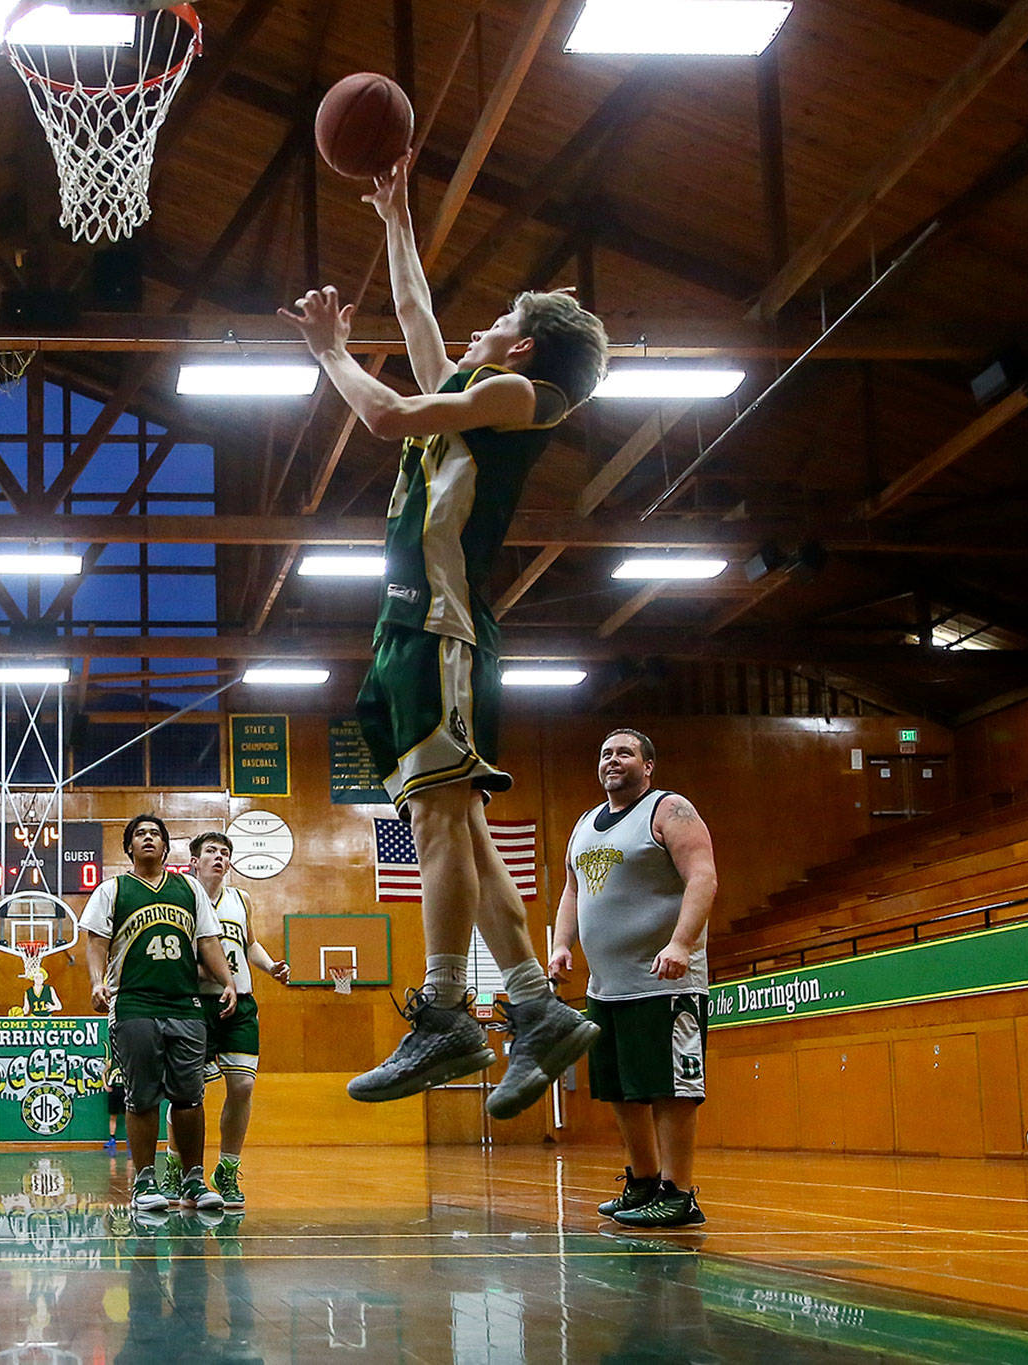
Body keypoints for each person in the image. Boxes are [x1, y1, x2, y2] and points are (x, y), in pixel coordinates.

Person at [278, 153, 610, 1120]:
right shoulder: (480, 397)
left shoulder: (515, 400)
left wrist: (330, 351)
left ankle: (448, 1009)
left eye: (499, 322)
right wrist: (395, 219)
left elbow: (382, 415)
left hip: (441, 625)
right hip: (405, 626)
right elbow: (423, 320)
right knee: (459, 820)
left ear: (524, 352)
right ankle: (539, 1012)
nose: (479, 327)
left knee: (434, 820)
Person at [548, 728, 719, 1229]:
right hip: (607, 986)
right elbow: (572, 891)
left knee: (672, 1089)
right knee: (622, 1090)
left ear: (648, 766)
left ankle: (678, 1192)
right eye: (605, 753)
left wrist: (682, 944)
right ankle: (643, 1182)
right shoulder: (584, 824)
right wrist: (561, 944)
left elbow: (703, 877)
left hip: (665, 983)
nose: (612, 760)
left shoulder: (669, 810)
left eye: (624, 752)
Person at [82, 814, 236, 1215]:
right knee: (143, 1096)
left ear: (166, 847)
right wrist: (97, 982)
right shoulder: (112, 890)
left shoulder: (188, 888)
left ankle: (194, 1180)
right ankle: (144, 1181)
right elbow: (96, 942)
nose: (148, 838)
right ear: (129, 846)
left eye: (155, 834)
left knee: (189, 1096)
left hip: (185, 1004)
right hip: (134, 1004)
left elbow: (208, 940)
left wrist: (228, 982)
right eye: (140, 834)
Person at [187, 832, 291, 1210]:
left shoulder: (240, 899)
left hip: (241, 1002)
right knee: (188, 1091)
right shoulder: (184, 897)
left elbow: (249, 943)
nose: (220, 857)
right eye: (212, 851)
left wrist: (270, 966)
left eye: (225, 852)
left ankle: (227, 1170)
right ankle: (179, 1167)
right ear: (194, 861)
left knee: (243, 1085)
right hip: (197, 1002)